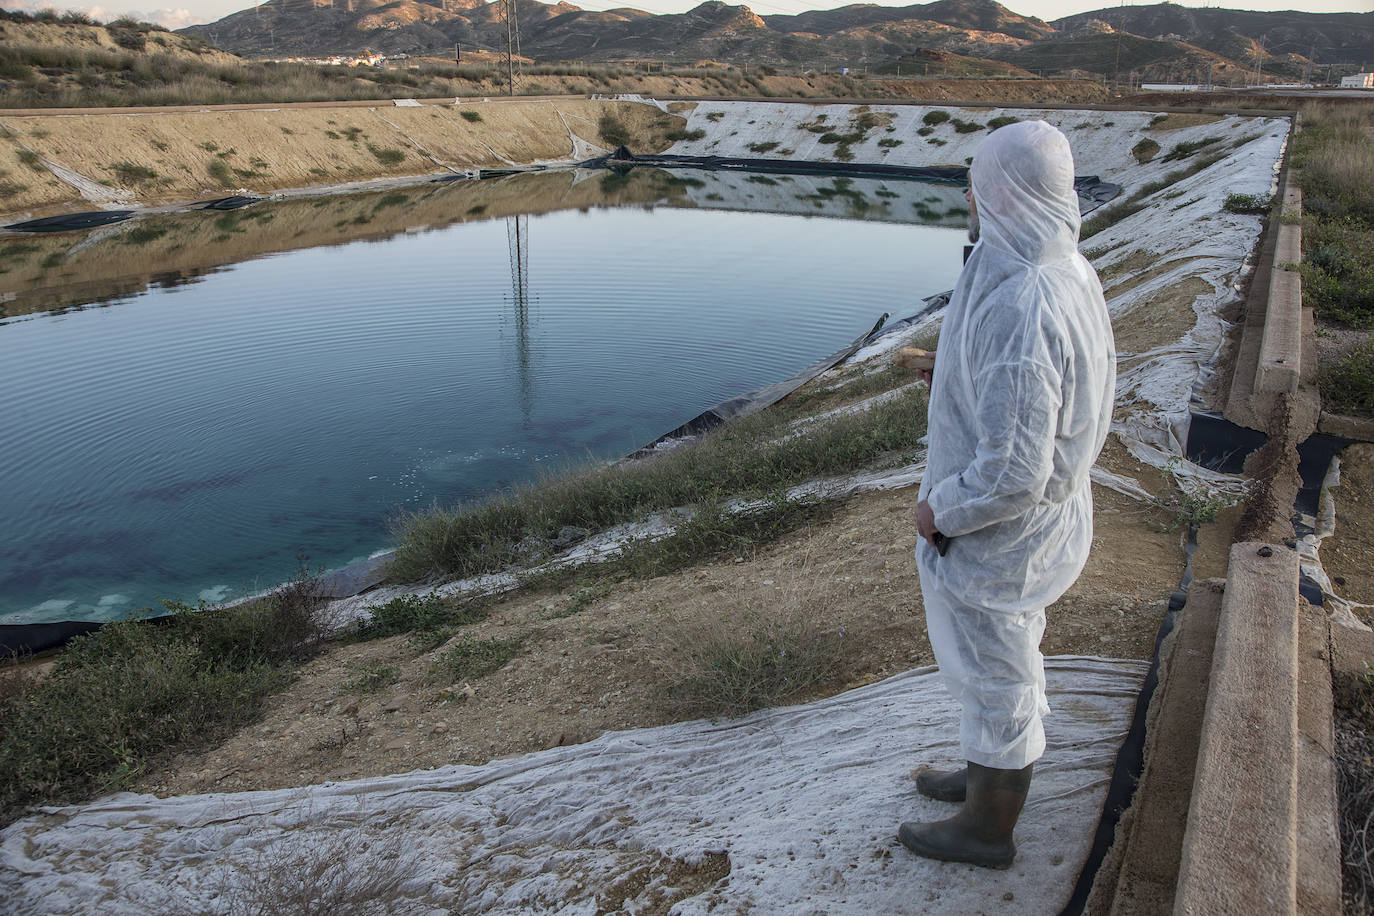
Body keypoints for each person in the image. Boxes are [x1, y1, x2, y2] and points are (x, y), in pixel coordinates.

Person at [897, 120, 1116, 870]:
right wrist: (949, 374)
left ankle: (988, 828)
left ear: (1007, 193)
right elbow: (1025, 399)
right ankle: (988, 773)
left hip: (1000, 537)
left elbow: (1016, 470)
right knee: (999, 666)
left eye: (980, 184)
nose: (969, 195)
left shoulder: (1023, 303)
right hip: (1029, 528)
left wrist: (940, 511)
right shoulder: (1052, 262)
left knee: (999, 673)